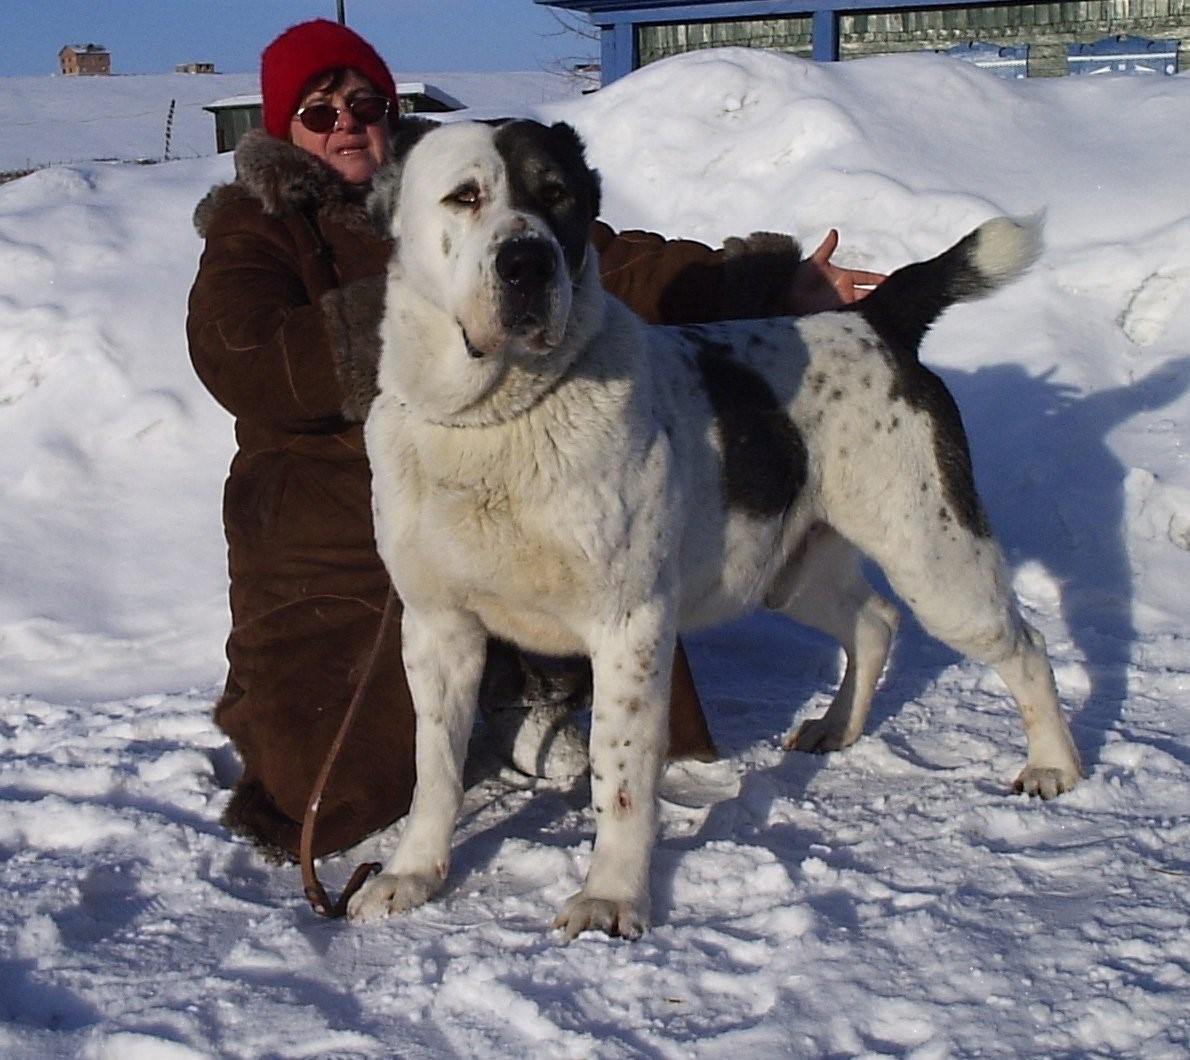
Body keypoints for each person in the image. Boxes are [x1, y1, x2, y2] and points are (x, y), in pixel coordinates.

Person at [187, 19, 884, 861]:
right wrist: (422, 308)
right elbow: (245, 358)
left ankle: (527, 690)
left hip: (503, 477)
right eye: (317, 109)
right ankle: (294, 699)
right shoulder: (254, 226)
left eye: (363, 102)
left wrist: (768, 279)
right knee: (326, 800)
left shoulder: (463, 171)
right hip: (325, 534)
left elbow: (604, 264)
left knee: (600, 554)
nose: (344, 123)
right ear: (282, 127)